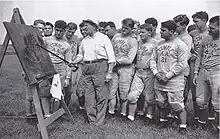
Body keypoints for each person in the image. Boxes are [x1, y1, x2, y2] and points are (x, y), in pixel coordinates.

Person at [70, 19, 116, 125]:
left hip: (101, 67)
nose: (84, 28)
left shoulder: (103, 38)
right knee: (88, 96)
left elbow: (111, 58)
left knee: (101, 95)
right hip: (87, 68)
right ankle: (92, 120)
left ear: (94, 26)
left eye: (86, 26)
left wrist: (109, 73)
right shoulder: (84, 40)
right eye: (83, 27)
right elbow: (80, 55)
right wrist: (74, 62)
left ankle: (99, 121)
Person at [150, 20, 188, 132]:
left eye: (163, 30)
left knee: (177, 105)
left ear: (171, 31)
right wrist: (156, 73)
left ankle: (182, 126)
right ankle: (163, 121)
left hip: (174, 81)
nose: (160, 32)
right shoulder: (159, 44)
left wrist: (168, 75)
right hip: (159, 79)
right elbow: (153, 59)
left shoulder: (180, 45)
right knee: (161, 103)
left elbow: (182, 64)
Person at [193, 15, 220, 131]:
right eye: (210, 27)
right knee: (200, 100)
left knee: (217, 103)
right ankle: (202, 122)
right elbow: (199, 56)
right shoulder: (205, 39)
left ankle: (218, 126)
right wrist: (195, 72)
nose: (209, 29)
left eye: (213, 28)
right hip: (203, 71)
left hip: (217, 72)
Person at [109, 18, 138, 116]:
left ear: (131, 28)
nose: (123, 30)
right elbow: (111, 50)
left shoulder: (133, 40)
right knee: (111, 91)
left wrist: (117, 61)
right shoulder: (116, 36)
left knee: (123, 92)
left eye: (126, 28)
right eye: (122, 27)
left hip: (126, 68)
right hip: (114, 67)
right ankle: (111, 111)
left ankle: (123, 113)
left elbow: (130, 59)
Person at [127, 24, 156, 121]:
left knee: (149, 97)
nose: (140, 34)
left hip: (149, 72)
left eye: (143, 32)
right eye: (140, 32)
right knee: (132, 95)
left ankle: (149, 116)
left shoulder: (155, 43)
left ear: (149, 32)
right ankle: (130, 116)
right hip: (138, 72)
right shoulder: (138, 43)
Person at [191, 11, 215, 120]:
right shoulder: (193, 34)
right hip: (195, 64)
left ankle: (210, 116)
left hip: (209, 65)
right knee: (196, 91)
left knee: (210, 90)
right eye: (194, 21)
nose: (195, 23)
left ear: (204, 21)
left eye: (197, 21)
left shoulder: (211, 33)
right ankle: (197, 115)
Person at [44, 20, 72, 112]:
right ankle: (46, 113)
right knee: (45, 92)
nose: (58, 33)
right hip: (48, 67)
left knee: (57, 93)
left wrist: (67, 78)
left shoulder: (66, 45)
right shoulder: (46, 40)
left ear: (64, 31)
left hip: (60, 69)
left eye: (61, 31)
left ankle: (54, 114)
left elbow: (68, 62)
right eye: (57, 30)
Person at [24, 19, 46, 117]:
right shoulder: (28, 38)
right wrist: (24, 70)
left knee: (39, 92)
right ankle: (28, 114)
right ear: (33, 27)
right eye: (39, 28)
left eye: (42, 29)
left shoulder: (41, 39)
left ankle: (38, 112)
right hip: (30, 69)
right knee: (30, 93)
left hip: (39, 69)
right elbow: (24, 56)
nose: (41, 31)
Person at [173, 14, 193, 105]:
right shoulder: (175, 36)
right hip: (173, 68)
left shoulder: (187, 38)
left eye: (177, 26)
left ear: (184, 26)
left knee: (180, 94)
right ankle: (171, 115)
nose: (175, 28)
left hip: (182, 70)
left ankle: (179, 116)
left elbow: (186, 55)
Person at [64, 22, 80, 106]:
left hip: (72, 66)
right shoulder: (62, 38)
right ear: (66, 29)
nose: (70, 34)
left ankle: (66, 109)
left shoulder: (76, 39)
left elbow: (78, 53)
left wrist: (75, 63)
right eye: (69, 31)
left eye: (72, 32)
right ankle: (57, 109)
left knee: (69, 90)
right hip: (62, 66)